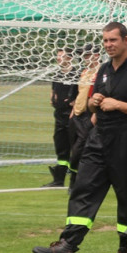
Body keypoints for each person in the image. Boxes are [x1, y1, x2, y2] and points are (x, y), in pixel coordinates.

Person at [32, 22, 127, 253]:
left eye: (113, 40)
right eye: (105, 41)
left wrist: (118, 105)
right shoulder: (102, 70)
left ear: (126, 40)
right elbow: (92, 105)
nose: (108, 45)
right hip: (99, 139)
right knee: (83, 189)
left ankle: (126, 250)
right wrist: (95, 101)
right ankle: (67, 246)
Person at [45, 48, 79, 187]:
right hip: (59, 115)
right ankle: (58, 178)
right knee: (60, 145)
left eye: (62, 56)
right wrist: (53, 98)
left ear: (70, 58)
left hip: (71, 116)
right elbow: (54, 91)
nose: (59, 59)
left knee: (75, 147)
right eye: (58, 56)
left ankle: (75, 180)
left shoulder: (76, 74)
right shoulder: (57, 74)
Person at [67, 44, 99, 184]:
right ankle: (74, 179)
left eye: (88, 55)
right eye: (84, 56)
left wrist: (93, 117)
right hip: (77, 115)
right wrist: (73, 112)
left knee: (79, 149)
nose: (86, 58)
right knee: (74, 148)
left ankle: (76, 180)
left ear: (96, 55)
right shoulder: (84, 72)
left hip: (88, 115)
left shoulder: (100, 72)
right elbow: (79, 93)